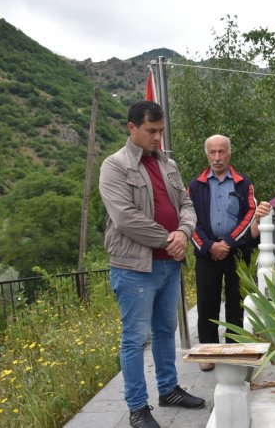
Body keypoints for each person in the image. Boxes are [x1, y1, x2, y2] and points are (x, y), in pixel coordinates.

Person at [99, 101, 205, 428]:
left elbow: (186, 203)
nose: (158, 137)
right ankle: (137, 408)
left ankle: (169, 389)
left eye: (160, 131)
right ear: (132, 128)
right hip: (134, 268)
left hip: (169, 265)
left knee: (164, 332)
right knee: (134, 338)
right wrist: (168, 240)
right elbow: (125, 218)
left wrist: (184, 232)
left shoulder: (168, 164)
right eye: (151, 131)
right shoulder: (114, 166)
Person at [188, 134, 256, 372]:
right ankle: (208, 352)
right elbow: (189, 219)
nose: (217, 157)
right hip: (207, 253)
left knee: (236, 303)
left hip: (236, 252)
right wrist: (209, 246)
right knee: (207, 303)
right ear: (207, 155)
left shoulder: (243, 183)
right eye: (212, 152)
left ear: (229, 153)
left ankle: (235, 350)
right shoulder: (195, 185)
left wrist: (227, 242)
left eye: (221, 152)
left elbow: (250, 214)